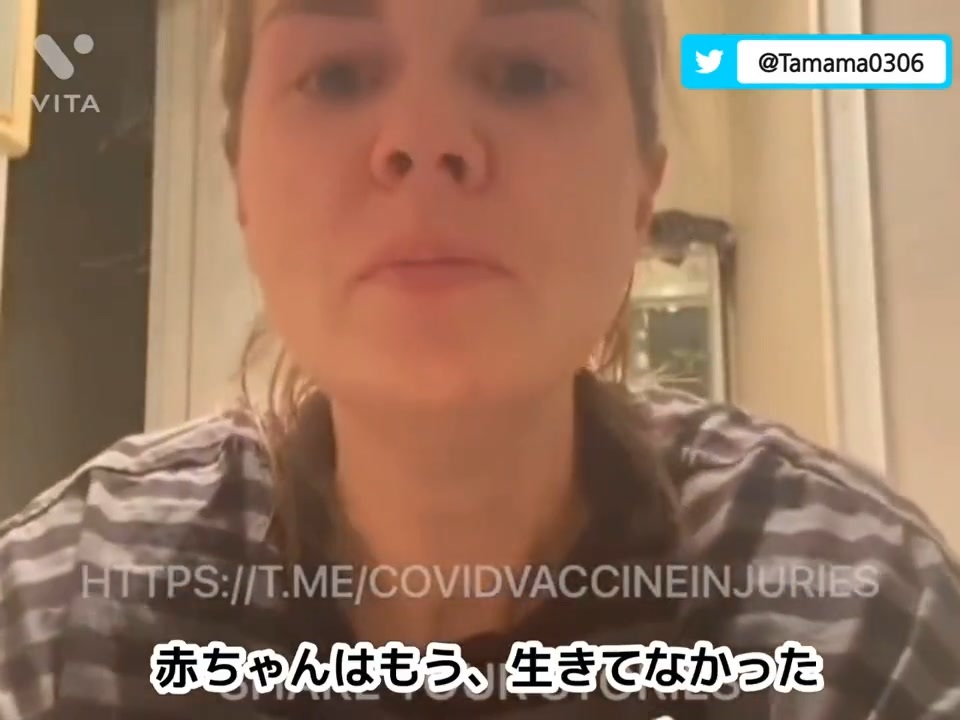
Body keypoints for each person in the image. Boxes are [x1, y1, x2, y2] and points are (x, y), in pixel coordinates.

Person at [1, 1, 957, 718]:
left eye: (526, 74)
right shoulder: (59, 616)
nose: (425, 141)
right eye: (337, 75)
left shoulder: (858, 617)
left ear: (642, 190)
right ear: (242, 181)